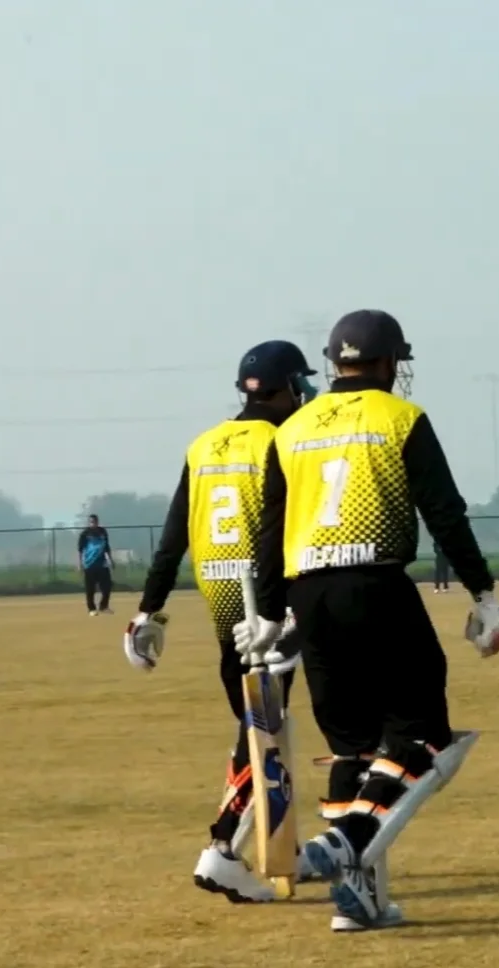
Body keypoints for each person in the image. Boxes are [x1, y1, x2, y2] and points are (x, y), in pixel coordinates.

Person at [237, 308, 499, 933]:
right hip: (376, 585)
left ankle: (357, 900)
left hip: (310, 597)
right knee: (424, 734)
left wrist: (273, 614)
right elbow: (445, 512)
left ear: (335, 363)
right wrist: (483, 591)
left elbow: (271, 530)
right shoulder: (399, 417)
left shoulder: (293, 429)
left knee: (353, 747)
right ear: (388, 362)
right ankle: (348, 842)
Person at [122, 340, 321, 903]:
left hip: (225, 609)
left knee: (260, 730)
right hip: (272, 607)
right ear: (291, 387)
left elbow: (172, 539)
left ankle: (284, 849)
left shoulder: (204, 444)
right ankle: (222, 851)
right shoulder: (286, 440)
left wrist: (148, 610)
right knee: (262, 735)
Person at [77, 513, 113, 615]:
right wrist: (80, 563)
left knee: (107, 587)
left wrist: (111, 560)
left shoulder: (103, 532)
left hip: (102, 564)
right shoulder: (85, 534)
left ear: (98, 522)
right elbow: (80, 550)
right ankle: (91, 609)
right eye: (91, 522)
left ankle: (104, 606)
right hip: (89, 565)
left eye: (95, 522)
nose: (93, 524)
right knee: (90, 589)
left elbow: (107, 547)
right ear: (89, 523)